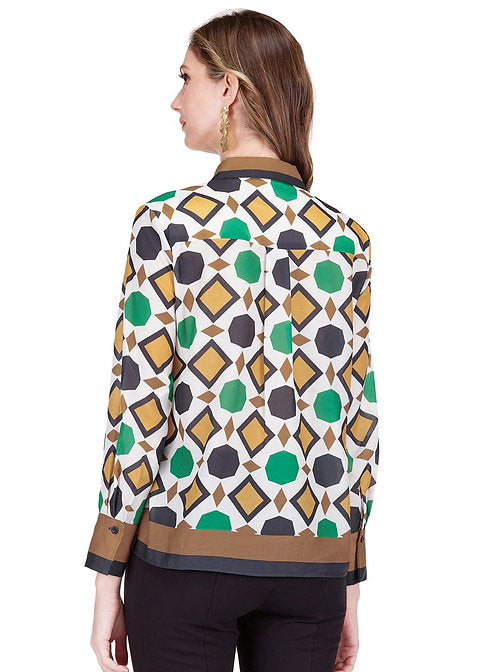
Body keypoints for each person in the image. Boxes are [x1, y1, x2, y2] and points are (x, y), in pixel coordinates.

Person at [85, 9, 380, 672]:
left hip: (186, 555)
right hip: (313, 566)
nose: (175, 100)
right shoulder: (345, 237)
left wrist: (107, 570)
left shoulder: (168, 223)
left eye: (186, 77)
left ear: (229, 88)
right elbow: (356, 416)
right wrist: (350, 581)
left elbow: (139, 404)